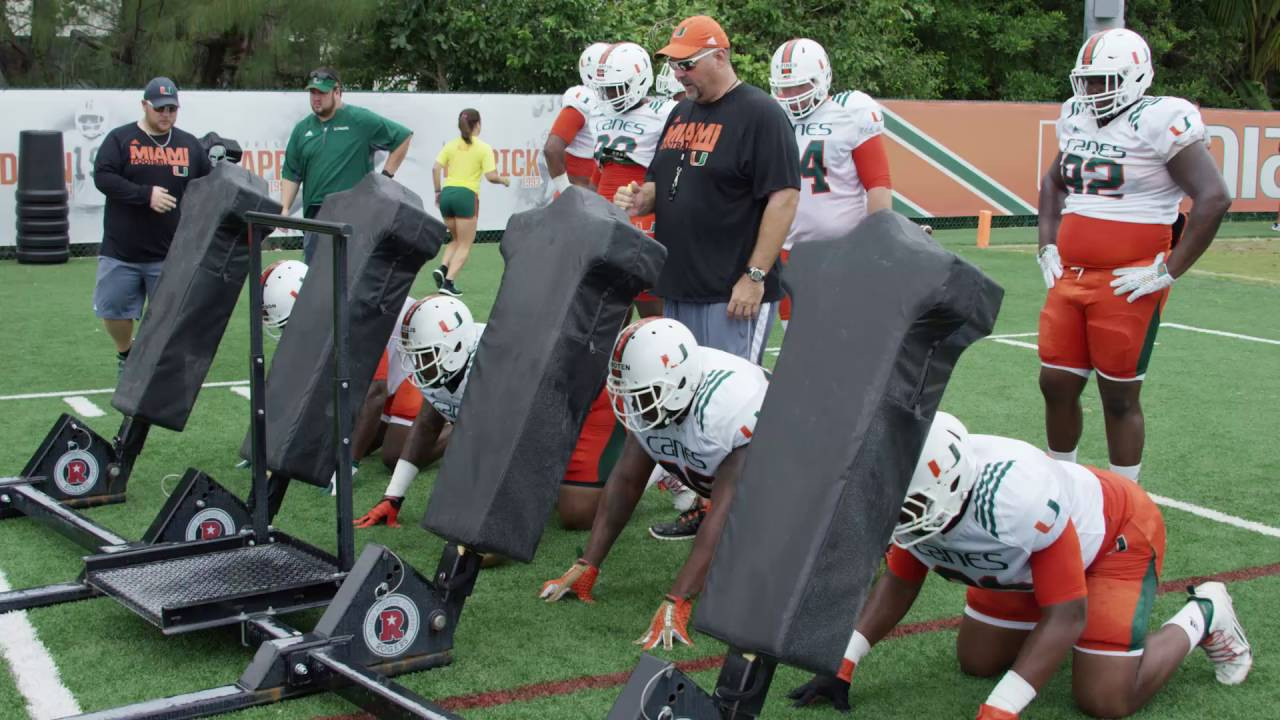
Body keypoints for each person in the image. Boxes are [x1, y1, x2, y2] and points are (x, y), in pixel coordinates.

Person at [789, 412, 1252, 719]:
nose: (893, 515)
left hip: (1113, 538)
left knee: (1105, 698)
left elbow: (1066, 614)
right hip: (1026, 562)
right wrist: (843, 664)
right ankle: (1097, 639)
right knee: (978, 661)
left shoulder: (1015, 504)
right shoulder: (928, 497)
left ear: (946, 490)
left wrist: (1000, 710)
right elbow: (900, 581)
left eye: (905, 506)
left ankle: (1205, 614)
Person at [1036, 29, 1230, 483]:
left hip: (1129, 279)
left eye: (1104, 80)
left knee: (1119, 395)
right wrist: (1046, 241)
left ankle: (1126, 496)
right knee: (1056, 383)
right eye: (1087, 81)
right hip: (1072, 275)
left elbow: (1214, 198)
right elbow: (1054, 183)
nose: (1093, 92)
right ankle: (1063, 485)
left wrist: (1170, 270)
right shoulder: (1076, 117)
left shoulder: (1161, 118)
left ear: (1136, 75)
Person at [539, 317, 770, 651]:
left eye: (644, 395)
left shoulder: (731, 407)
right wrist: (588, 563)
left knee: (762, 583)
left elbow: (725, 515)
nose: (635, 404)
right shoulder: (662, 388)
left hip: (797, 484)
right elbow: (627, 479)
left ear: (679, 385)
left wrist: (679, 599)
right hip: (720, 476)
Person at [614, 14, 800, 366]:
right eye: (673, 64)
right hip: (678, 287)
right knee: (683, 398)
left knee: (729, 402)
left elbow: (785, 198)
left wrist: (755, 276)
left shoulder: (762, 114)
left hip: (731, 294)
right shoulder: (680, 113)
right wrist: (643, 198)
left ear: (720, 57)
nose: (678, 73)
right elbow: (661, 180)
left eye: (687, 64)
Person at [353, 295, 614, 531]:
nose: (419, 366)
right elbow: (427, 424)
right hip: (539, 416)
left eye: (426, 356)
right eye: (416, 356)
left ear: (456, 348)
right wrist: (393, 497)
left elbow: (523, 442)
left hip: (587, 404)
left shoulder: (497, 365)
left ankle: (642, 468)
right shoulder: (450, 363)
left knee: (575, 514)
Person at [769, 38, 893, 333]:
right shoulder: (772, 118)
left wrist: (879, 244)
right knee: (796, 340)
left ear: (822, 78)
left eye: (799, 86)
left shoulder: (852, 112)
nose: (790, 96)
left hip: (845, 250)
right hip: (789, 252)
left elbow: (878, 184)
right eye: (784, 87)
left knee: (848, 340)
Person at [93, 77, 212, 374]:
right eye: (160, 109)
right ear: (144, 105)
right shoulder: (121, 139)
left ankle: (155, 367)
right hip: (122, 250)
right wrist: (145, 195)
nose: (166, 115)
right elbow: (103, 177)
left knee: (169, 319)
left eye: (172, 109)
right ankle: (126, 353)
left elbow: (209, 184)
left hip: (169, 252)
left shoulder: (188, 145)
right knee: (113, 312)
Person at [280, 67, 413, 265]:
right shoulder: (302, 129)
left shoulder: (360, 120)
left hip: (354, 213)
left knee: (351, 279)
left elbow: (402, 137)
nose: (316, 98)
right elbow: (292, 173)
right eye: (312, 92)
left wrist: (384, 179)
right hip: (315, 216)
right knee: (314, 280)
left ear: (337, 91)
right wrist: (284, 209)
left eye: (322, 93)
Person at [431, 109, 509, 297]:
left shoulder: (450, 145)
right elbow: (491, 177)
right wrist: (504, 180)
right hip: (466, 197)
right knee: (465, 244)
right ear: (477, 125)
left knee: (456, 239)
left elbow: (435, 168)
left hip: (447, 195)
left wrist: (437, 191)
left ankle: (442, 268)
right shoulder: (483, 148)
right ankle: (448, 283)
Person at [544, 43, 607, 193]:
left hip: (599, 194)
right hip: (580, 198)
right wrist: (566, 191)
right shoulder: (584, 98)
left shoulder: (611, 101)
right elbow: (551, 149)